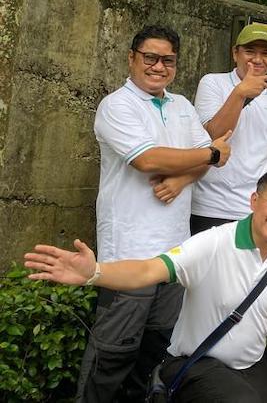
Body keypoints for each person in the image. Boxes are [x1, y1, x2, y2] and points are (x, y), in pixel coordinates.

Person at [25, 169, 267, 403]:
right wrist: (95, 272)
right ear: (255, 201)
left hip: (248, 365)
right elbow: (148, 270)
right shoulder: (214, 243)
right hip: (196, 363)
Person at [77, 25, 233, 403]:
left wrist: (182, 178)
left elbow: (204, 158)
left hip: (175, 255)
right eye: (150, 57)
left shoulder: (181, 106)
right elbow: (147, 159)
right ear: (132, 58)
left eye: (168, 60)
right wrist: (210, 153)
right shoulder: (117, 106)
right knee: (113, 352)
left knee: (156, 351)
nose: (158, 66)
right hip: (128, 252)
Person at [192, 23, 267, 233]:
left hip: (258, 210)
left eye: (266, 53)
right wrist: (240, 93)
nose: (257, 59)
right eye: (250, 51)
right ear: (235, 53)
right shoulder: (212, 83)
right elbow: (213, 135)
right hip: (210, 205)